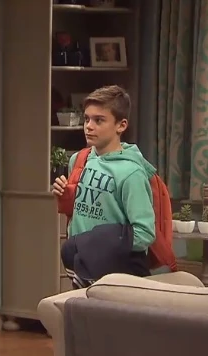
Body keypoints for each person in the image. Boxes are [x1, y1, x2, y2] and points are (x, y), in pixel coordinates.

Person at [52, 85, 156, 288]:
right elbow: (79, 211)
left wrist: (97, 244)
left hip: (118, 275)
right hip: (81, 266)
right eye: (87, 119)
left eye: (99, 120)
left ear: (121, 125)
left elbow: (144, 233)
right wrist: (65, 195)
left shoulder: (131, 173)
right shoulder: (79, 160)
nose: (89, 126)